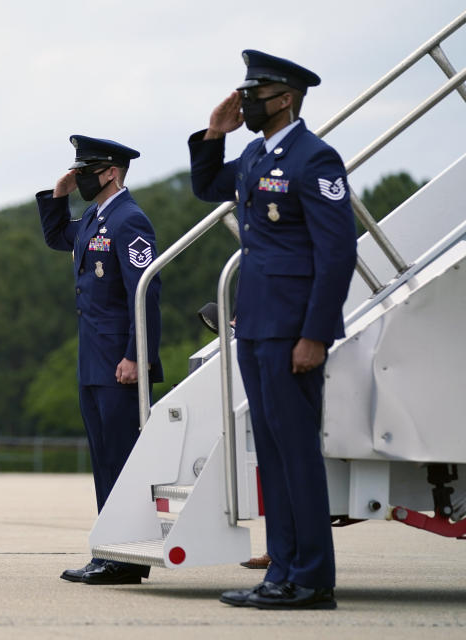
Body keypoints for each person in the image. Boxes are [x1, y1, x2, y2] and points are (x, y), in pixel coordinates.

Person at [188, 50, 357, 609]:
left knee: (297, 454)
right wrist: (216, 131)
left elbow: (337, 253)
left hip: (292, 333)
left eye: (254, 95)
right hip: (257, 325)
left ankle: (311, 579)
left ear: (284, 98)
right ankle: (282, 572)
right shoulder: (258, 156)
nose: (246, 103)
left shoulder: (315, 159)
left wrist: (316, 334)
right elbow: (208, 183)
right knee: (275, 456)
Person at [37, 135, 163, 585]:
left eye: (87, 169)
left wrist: (137, 355)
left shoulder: (130, 220)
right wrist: (58, 196)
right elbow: (57, 236)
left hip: (118, 361)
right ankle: (111, 551)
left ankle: (125, 558)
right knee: (104, 457)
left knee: (121, 457)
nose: (81, 176)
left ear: (111, 171)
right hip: (93, 356)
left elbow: (145, 293)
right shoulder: (94, 216)